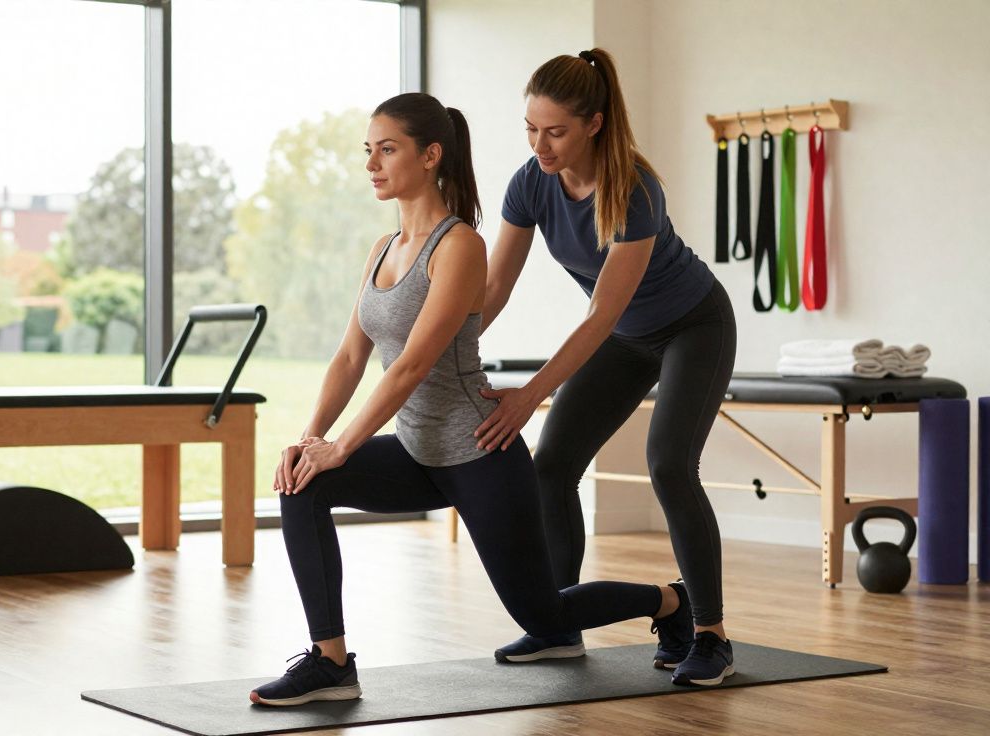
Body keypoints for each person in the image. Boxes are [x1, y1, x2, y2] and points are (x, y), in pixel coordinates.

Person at [248, 92, 694, 708]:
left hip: (478, 452)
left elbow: (410, 367)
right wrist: (309, 439)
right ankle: (331, 662)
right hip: (416, 451)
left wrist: (341, 446)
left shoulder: (459, 246)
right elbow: (351, 357)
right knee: (301, 484)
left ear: (431, 155)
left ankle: (671, 601)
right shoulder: (382, 249)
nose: (372, 164)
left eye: (388, 149)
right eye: (367, 151)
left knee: (543, 611)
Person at [475, 48, 738, 687]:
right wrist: (443, 354)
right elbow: (496, 287)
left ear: (593, 123)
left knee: (670, 466)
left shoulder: (635, 189)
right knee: (552, 467)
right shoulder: (530, 182)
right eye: (531, 129)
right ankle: (557, 623)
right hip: (626, 336)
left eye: (556, 131)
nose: (541, 144)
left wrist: (529, 396)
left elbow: (598, 314)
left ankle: (708, 632)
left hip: (692, 326)